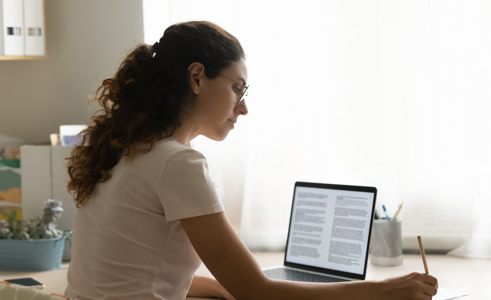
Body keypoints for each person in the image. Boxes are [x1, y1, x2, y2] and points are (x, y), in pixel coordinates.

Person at [65, 21, 438, 300]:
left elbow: (134, 275)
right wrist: (381, 291)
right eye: (237, 88)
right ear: (197, 77)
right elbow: (258, 292)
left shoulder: (126, 151)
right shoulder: (177, 164)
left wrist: (228, 286)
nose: (243, 107)